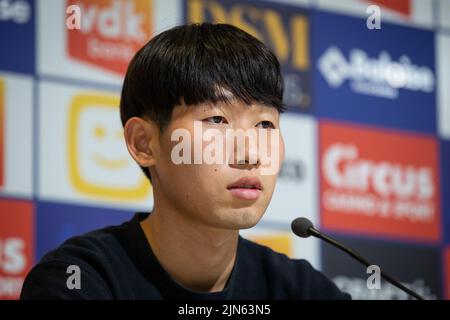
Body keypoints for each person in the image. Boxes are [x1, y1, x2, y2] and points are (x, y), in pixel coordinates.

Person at [20, 23, 350, 300]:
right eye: (217, 120)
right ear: (144, 143)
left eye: (265, 124)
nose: (251, 154)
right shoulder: (79, 281)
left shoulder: (301, 290)